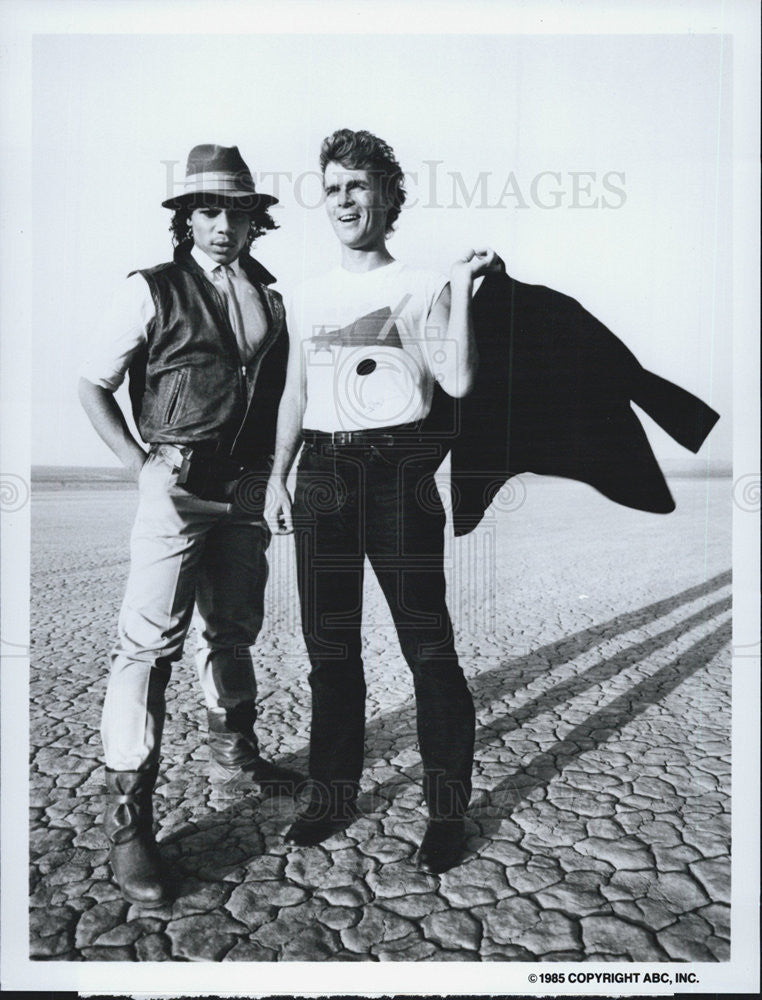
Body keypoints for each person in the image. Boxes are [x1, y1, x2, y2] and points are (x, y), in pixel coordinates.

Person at [266, 128, 503, 874]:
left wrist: (460, 292)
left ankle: (446, 811)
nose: (343, 200)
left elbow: (458, 381)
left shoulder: (424, 284)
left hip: (399, 472)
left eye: (358, 186)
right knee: (330, 649)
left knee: (428, 650)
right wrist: (278, 473)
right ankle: (331, 798)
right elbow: (296, 392)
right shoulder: (304, 294)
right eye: (332, 188)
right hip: (322, 476)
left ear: (388, 197)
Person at [79, 144, 302, 907]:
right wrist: (138, 464)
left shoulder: (272, 297)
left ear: (253, 223)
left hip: (242, 493)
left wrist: (275, 481)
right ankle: (129, 822)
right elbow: (93, 383)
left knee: (233, 628)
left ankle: (235, 756)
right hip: (173, 486)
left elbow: (279, 401)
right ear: (186, 220)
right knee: (147, 645)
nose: (222, 226)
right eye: (208, 211)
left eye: (237, 212)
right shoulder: (150, 289)